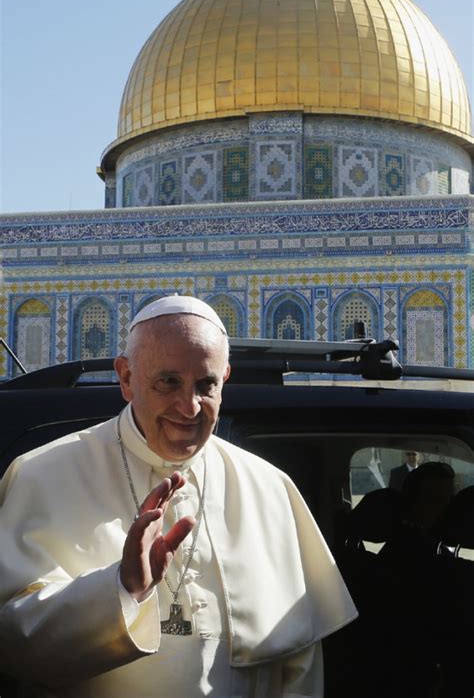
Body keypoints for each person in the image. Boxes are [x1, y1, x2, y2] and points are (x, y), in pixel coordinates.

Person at [0, 295, 357, 697]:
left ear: (225, 378)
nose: (188, 408)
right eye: (168, 382)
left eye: (206, 385)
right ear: (126, 378)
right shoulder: (43, 475)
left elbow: (299, 663)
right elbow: (12, 647)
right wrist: (120, 588)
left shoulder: (269, 488)